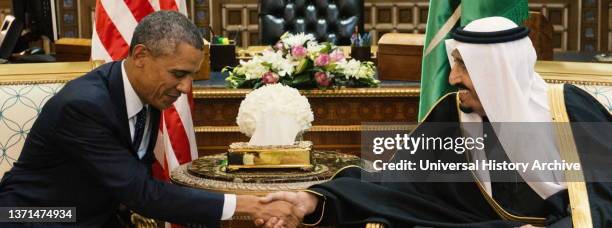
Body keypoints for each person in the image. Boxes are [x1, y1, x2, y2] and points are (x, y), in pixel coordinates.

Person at [258, 17, 612, 228]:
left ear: (498, 73)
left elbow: (604, 202)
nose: (454, 78)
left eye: (465, 67)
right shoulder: (453, 114)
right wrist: (314, 200)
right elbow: (394, 185)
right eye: (454, 64)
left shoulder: (567, 109)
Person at [0, 11, 301, 227]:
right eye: (178, 74)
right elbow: (141, 192)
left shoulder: (149, 92)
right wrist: (249, 205)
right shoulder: (83, 106)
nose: (185, 88)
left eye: (191, 76)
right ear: (141, 56)